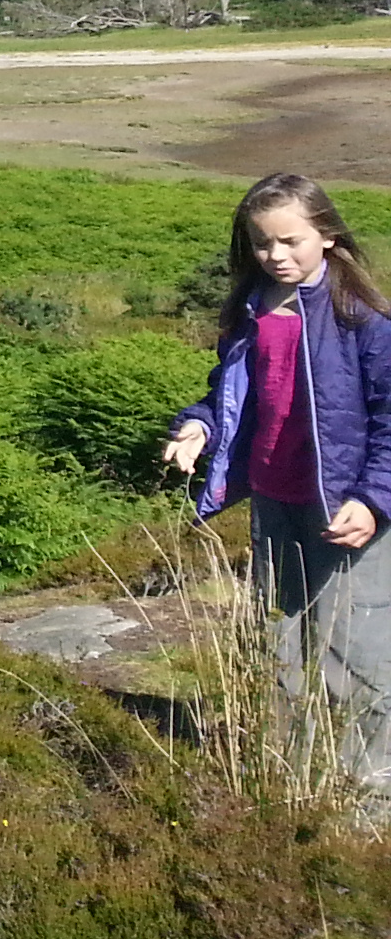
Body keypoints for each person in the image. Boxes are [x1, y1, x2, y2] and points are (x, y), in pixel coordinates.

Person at [163, 171, 391, 792]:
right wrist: (199, 428)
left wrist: (373, 501)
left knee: (358, 653)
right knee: (280, 642)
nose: (276, 256)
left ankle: (370, 792)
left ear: (329, 236)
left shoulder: (364, 320)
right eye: (263, 244)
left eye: (291, 241)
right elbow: (231, 396)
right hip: (274, 498)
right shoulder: (250, 310)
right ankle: (293, 779)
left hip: (344, 510)